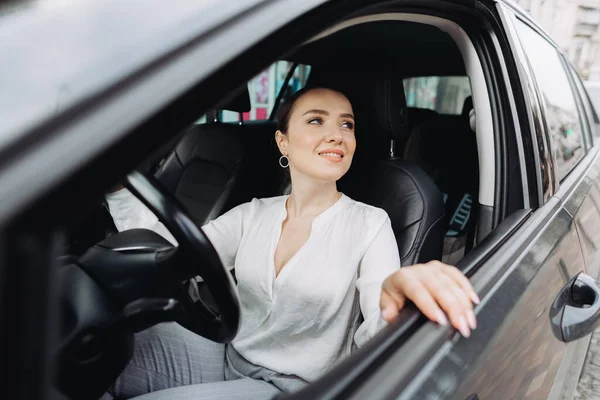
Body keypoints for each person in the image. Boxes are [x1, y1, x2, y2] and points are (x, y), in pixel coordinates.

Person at [103, 87, 479, 400]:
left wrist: (395, 295)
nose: (337, 134)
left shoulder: (369, 223)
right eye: (316, 120)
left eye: (346, 125)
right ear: (282, 140)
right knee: (97, 350)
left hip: (289, 389)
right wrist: (117, 187)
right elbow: (173, 252)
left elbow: (378, 325)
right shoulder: (253, 213)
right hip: (226, 356)